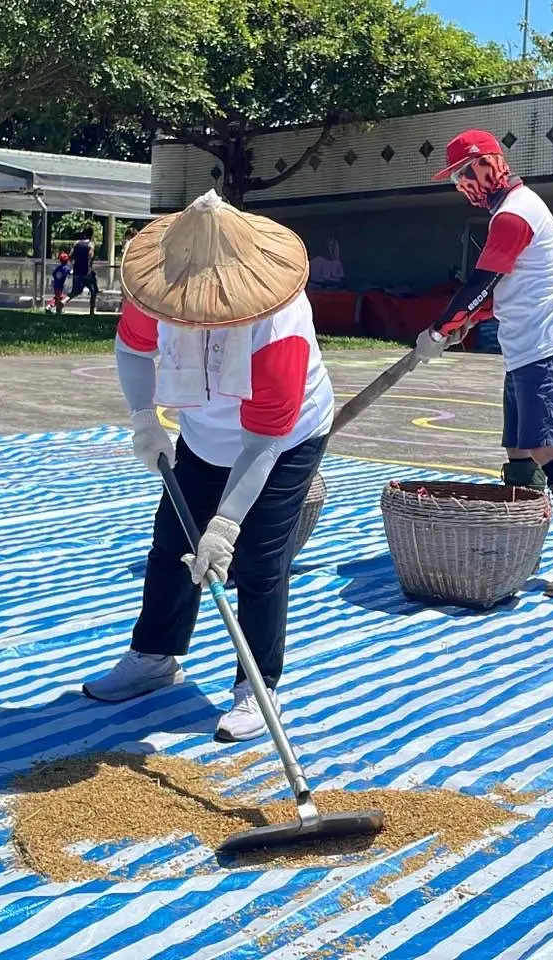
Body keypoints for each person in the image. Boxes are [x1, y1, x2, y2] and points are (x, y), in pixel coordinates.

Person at [81, 190, 333, 744]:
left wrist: (226, 524)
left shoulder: (278, 330)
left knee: (260, 560)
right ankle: (154, 657)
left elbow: (265, 440)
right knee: (171, 541)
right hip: (202, 430)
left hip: (286, 439)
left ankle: (258, 688)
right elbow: (132, 350)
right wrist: (144, 420)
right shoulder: (161, 289)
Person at [414, 129, 553, 597]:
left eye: (464, 172)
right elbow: (502, 291)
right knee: (519, 452)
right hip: (524, 348)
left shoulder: (516, 214)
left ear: (488, 164)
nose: (462, 183)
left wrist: (441, 328)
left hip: (551, 348)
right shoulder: (509, 212)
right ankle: (523, 545)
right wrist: (468, 322)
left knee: (545, 448)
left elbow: (484, 280)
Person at [68, 227, 101, 315]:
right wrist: (89, 268)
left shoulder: (76, 243)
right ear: (91, 235)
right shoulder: (91, 244)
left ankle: (63, 302)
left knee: (75, 291)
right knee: (93, 290)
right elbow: (90, 255)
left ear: (83, 234)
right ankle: (91, 312)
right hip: (86, 271)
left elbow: (70, 256)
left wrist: (73, 265)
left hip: (77, 270)